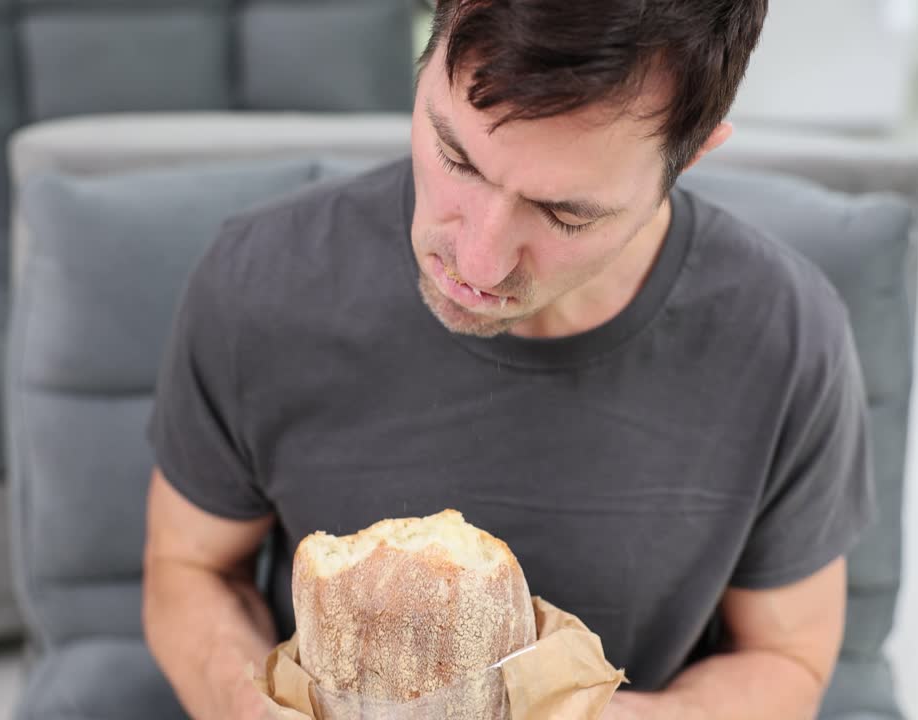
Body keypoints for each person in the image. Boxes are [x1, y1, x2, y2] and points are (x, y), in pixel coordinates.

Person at [142, 1, 874, 718]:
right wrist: (245, 705)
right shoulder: (261, 281)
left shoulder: (784, 334)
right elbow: (191, 568)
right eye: (456, 157)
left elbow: (787, 656)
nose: (477, 262)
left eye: (565, 214)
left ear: (691, 156)